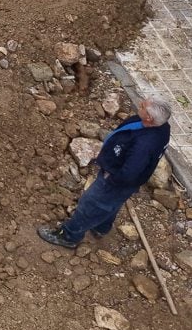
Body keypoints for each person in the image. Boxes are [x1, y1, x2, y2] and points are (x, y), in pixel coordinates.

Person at [38, 96, 172, 249]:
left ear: (149, 118)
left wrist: (111, 179)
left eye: (142, 106)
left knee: (89, 204)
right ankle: (101, 227)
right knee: (112, 203)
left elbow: (129, 173)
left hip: (115, 181)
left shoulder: (145, 144)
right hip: (124, 182)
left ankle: (69, 236)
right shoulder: (161, 126)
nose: (139, 104)